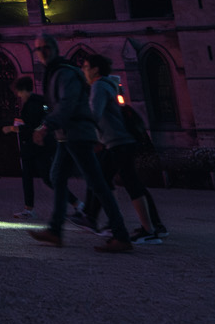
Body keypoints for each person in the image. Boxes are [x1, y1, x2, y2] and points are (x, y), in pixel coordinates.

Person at [27, 37, 131, 253]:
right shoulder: (57, 71)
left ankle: (121, 235)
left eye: (46, 48)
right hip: (68, 135)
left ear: (55, 49)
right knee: (57, 176)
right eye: (38, 49)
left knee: (97, 183)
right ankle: (55, 231)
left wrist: (46, 126)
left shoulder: (63, 73)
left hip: (76, 133)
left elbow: (68, 103)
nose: (42, 52)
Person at [79, 54, 166, 243]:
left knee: (129, 182)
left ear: (95, 69)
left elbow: (94, 114)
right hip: (115, 142)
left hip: (119, 142)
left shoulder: (99, 86)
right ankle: (117, 222)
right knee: (106, 179)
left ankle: (149, 230)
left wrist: (79, 127)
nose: (83, 70)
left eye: (85, 67)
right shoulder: (107, 85)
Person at [6, 74, 50, 220]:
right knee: (31, 177)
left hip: (35, 146)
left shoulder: (33, 103)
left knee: (47, 177)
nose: (18, 95)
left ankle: (77, 204)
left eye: (19, 92)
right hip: (34, 146)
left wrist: (13, 129)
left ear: (24, 90)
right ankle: (28, 208)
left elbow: (32, 126)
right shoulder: (39, 101)